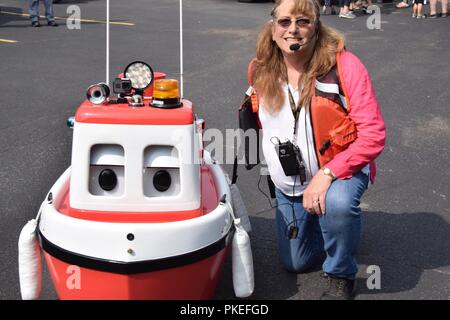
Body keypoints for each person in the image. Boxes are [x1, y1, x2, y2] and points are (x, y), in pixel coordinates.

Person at [249, 0, 385, 299]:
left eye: (303, 21)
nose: (293, 30)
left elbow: (373, 134)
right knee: (295, 262)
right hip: (291, 182)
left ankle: (341, 272)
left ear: (316, 26)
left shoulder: (345, 66)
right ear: (273, 29)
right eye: (284, 22)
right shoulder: (259, 69)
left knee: (337, 205)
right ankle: (336, 230)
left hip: (338, 173)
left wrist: (327, 173)